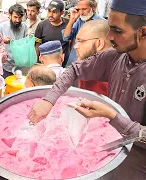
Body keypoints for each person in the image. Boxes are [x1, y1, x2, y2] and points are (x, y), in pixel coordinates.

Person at [28, 0, 146, 179]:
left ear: (143, 31)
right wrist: (48, 100)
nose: (110, 37)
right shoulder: (116, 57)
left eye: (118, 30)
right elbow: (74, 69)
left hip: (136, 167)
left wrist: (113, 116)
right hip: (107, 151)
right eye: (109, 28)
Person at [74, 19, 110, 96]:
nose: (75, 46)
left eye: (81, 41)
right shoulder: (86, 67)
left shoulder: (116, 78)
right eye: (76, 41)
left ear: (99, 43)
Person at [62, 0, 104, 66]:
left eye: (84, 9)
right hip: (74, 62)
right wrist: (72, 19)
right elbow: (66, 37)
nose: (81, 13)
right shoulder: (79, 20)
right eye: (79, 9)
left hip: (90, 64)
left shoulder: (102, 23)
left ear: (94, 7)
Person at [34, 0, 70, 66]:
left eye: (54, 12)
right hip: (46, 64)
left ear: (62, 12)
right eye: (49, 11)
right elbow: (37, 47)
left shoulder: (68, 24)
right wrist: (37, 63)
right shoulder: (41, 25)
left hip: (63, 64)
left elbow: (71, 43)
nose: (50, 15)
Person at [0, 4, 28, 78]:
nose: (17, 20)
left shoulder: (24, 27)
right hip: (6, 65)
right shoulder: (2, 26)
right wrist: (3, 40)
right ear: (10, 15)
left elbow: (26, 44)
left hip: (20, 66)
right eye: (15, 17)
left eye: (20, 18)